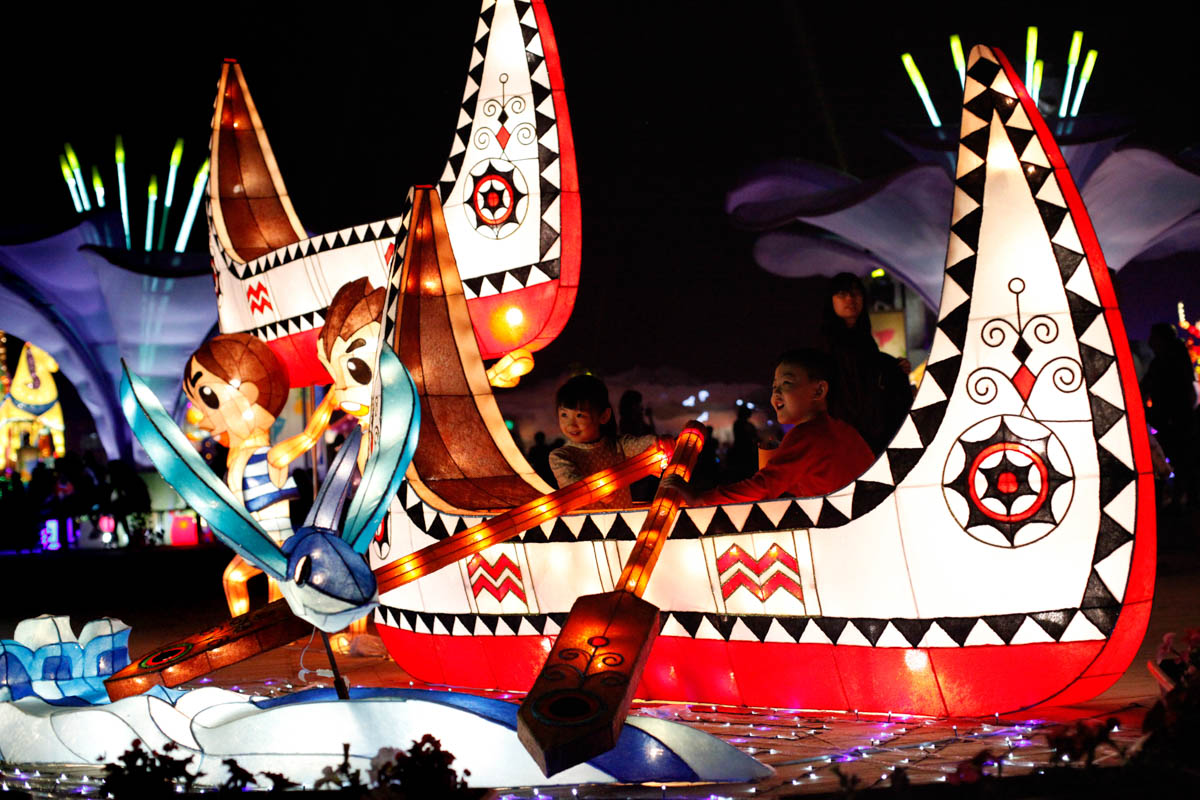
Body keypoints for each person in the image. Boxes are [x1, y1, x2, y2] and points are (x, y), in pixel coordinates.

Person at [663, 349, 874, 505]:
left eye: (787, 383)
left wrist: (700, 498)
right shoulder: (844, 431)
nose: (776, 394)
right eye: (774, 387)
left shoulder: (807, 435)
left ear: (819, 391)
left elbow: (763, 488)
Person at [184, 333, 300, 615]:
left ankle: (276, 630)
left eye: (209, 400)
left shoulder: (268, 455)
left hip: (278, 542)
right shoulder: (235, 457)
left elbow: (307, 438)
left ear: (248, 394)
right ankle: (245, 630)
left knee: (273, 583)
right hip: (255, 541)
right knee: (233, 578)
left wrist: (330, 403)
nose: (201, 418)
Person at [821, 272, 912, 455]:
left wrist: (895, 367)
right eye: (841, 294)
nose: (850, 298)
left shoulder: (865, 341)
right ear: (831, 300)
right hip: (844, 435)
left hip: (874, 434)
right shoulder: (826, 346)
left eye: (855, 293)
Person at [549, 374, 670, 509]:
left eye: (579, 415)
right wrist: (597, 491)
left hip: (626, 524)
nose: (571, 424)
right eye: (564, 415)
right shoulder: (561, 456)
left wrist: (659, 442)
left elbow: (640, 444)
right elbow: (572, 487)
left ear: (604, 416)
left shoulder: (617, 445)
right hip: (584, 527)